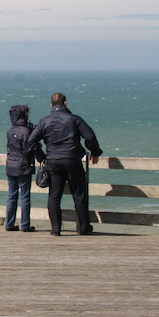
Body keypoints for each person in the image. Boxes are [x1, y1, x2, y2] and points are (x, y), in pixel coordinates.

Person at [26, 92, 103, 236]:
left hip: (53, 161)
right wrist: (95, 151)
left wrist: (41, 157)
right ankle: (84, 227)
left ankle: (56, 229)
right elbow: (90, 136)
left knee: (54, 195)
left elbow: (31, 142)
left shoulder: (44, 121)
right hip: (72, 160)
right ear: (65, 103)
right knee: (79, 194)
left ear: (51, 105)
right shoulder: (74, 119)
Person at [4, 105, 44, 232]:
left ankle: (9, 224)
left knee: (12, 195)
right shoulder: (26, 131)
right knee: (25, 196)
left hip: (11, 165)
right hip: (23, 166)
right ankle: (25, 224)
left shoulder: (10, 131)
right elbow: (32, 147)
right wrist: (42, 157)